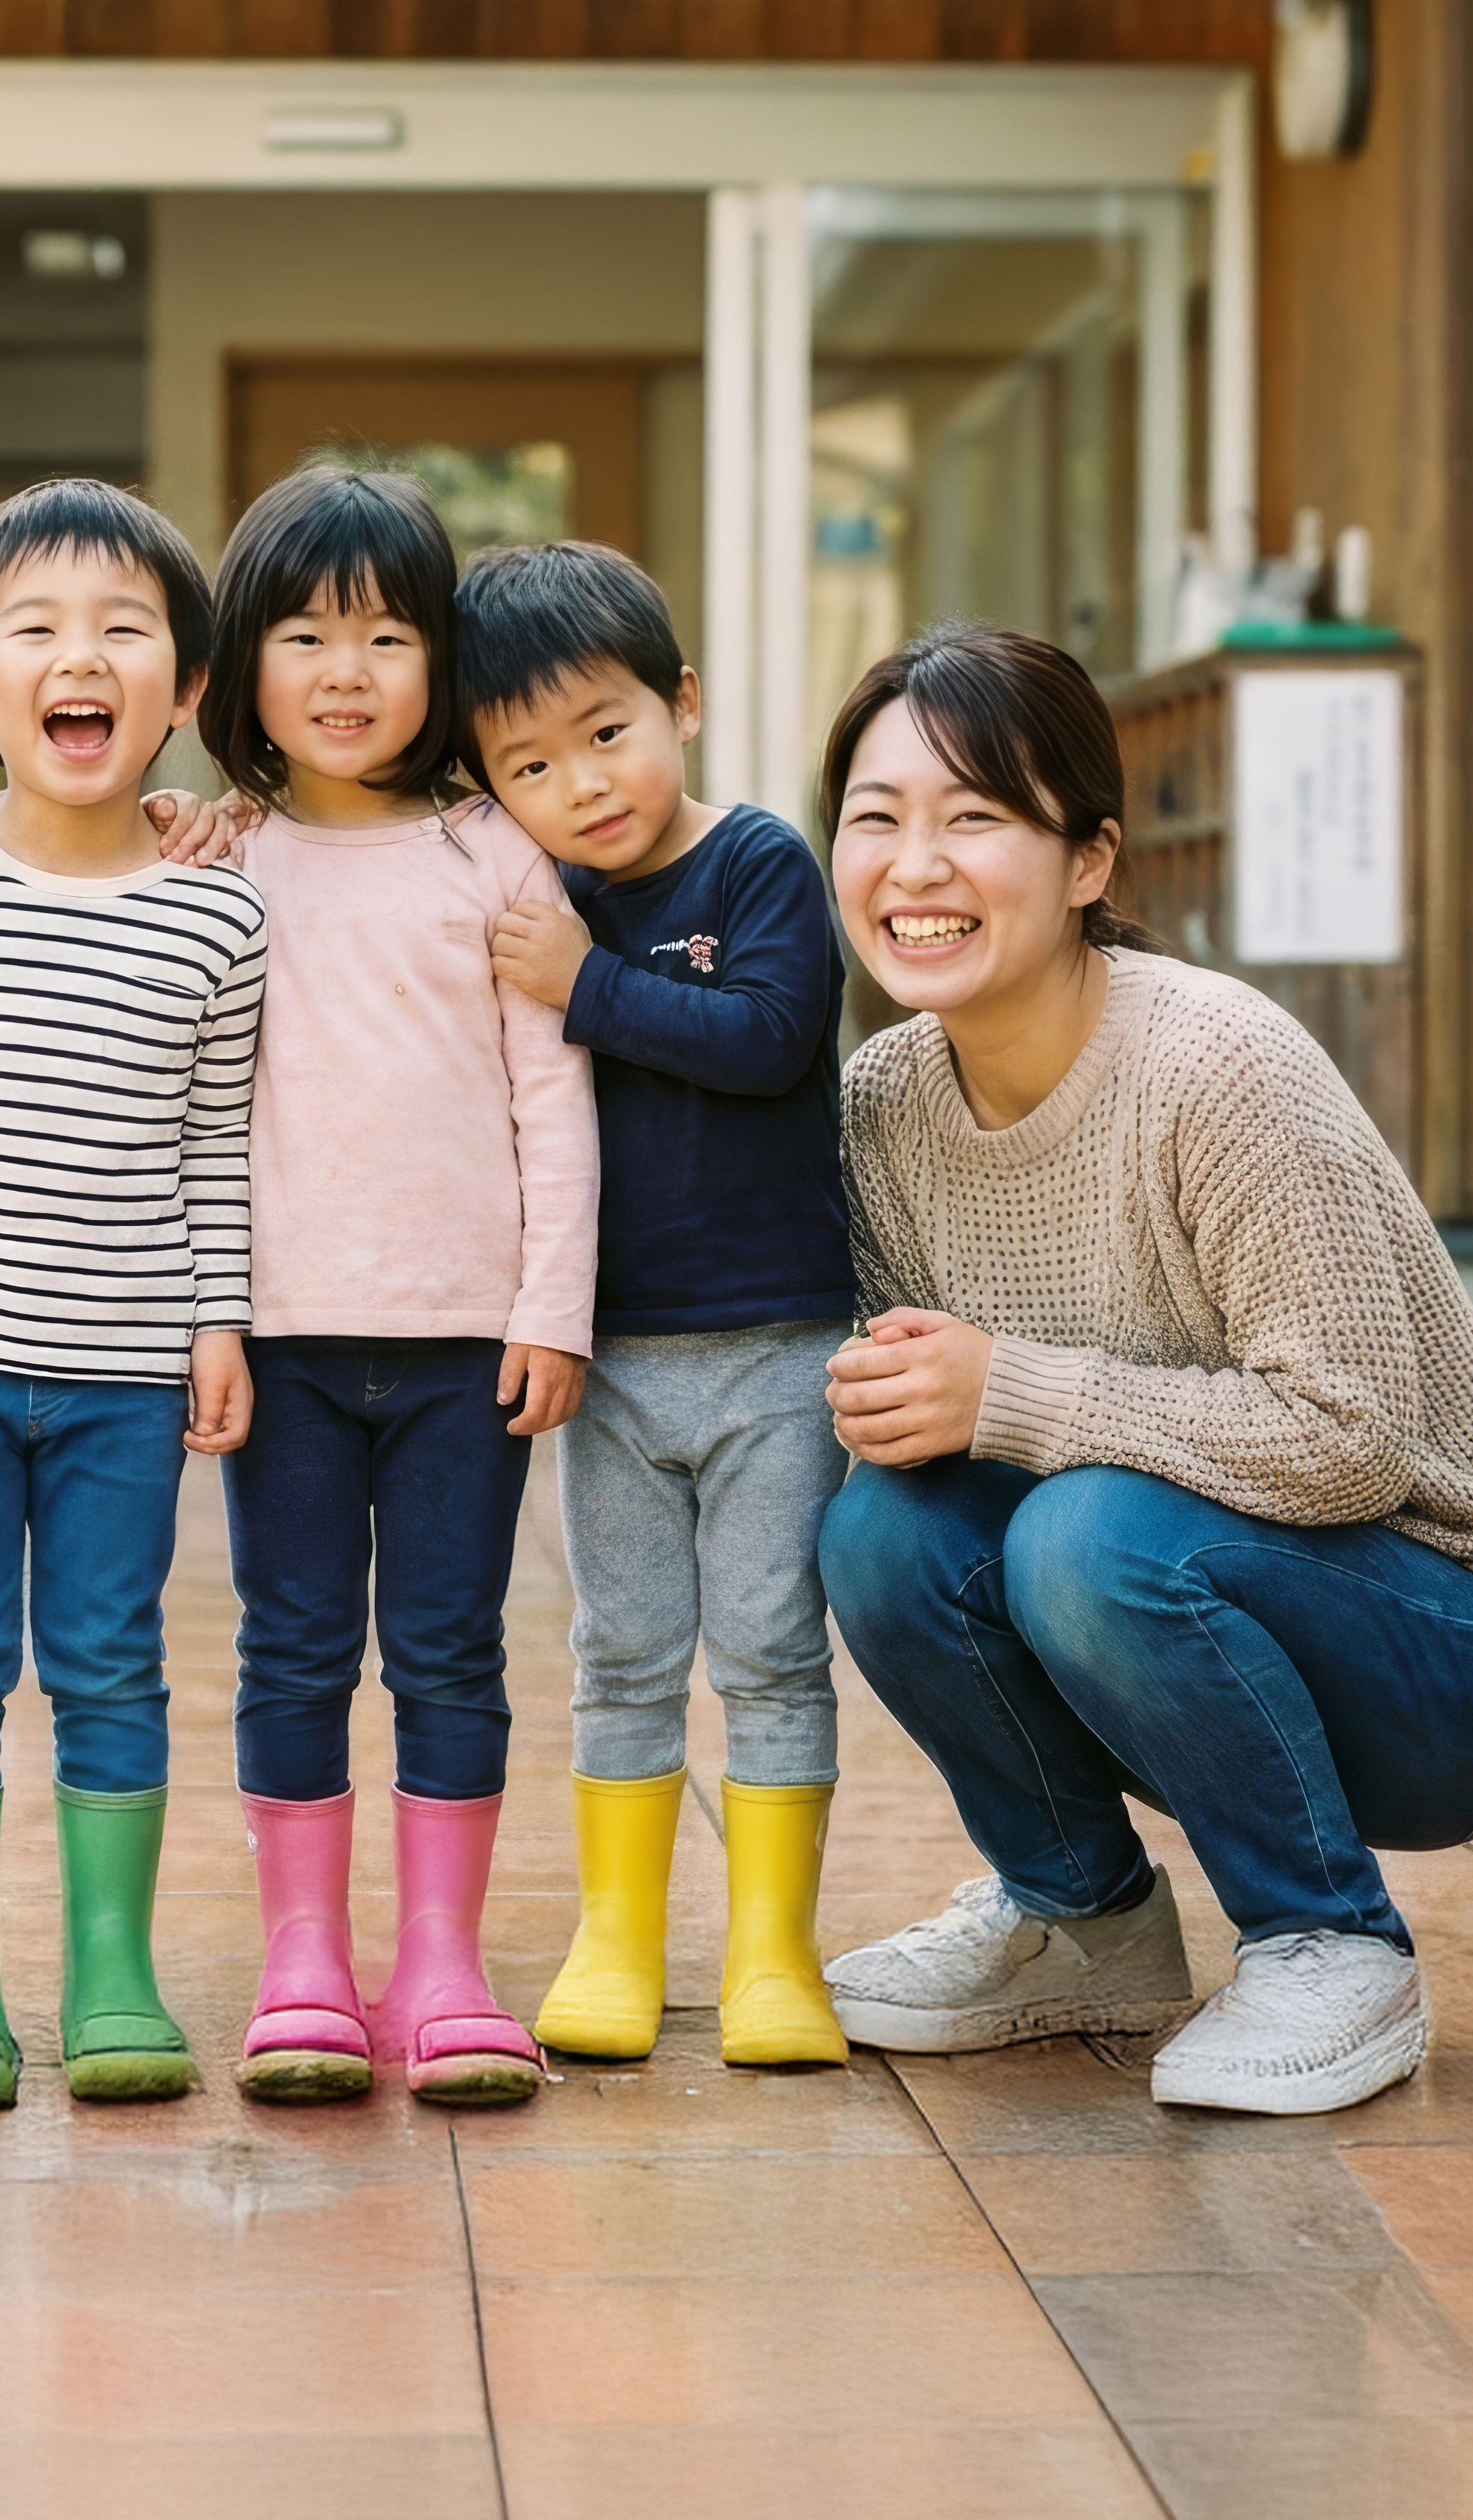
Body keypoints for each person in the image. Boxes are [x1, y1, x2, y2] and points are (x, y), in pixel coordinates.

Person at [814, 625, 1473, 2117]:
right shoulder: (884, 1107)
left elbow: (1353, 1438)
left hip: (1466, 1643)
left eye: (975, 815)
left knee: (1083, 1525)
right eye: (878, 816)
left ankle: (1330, 1939)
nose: (916, 864)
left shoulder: (1216, 1066)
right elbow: (939, 1436)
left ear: (1091, 857)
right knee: (885, 1525)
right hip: (1185, 1603)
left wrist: (1014, 1393)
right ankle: (1078, 1916)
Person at [177, 467, 597, 2108]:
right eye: (301, 633)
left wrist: (551, 1303)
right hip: (279, 1337)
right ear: (240, 670)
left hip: (460, 1347)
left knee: (450, 1644)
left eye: (383, 634)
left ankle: (439, 1959)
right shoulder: (219, 862)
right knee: (288, 1646)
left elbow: (551, 1098)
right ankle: (304, 1957)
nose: (343, 670)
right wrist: (199, 1318)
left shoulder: (496, 856)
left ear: (443, 661)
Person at [0, 477, 266, 2112]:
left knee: (109, 1658)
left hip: (122, 1370)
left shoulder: (220, 911)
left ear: (183, 691)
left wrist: (215, 1315)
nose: (75, 659)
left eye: (122, 632)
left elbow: (212, 1141)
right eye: (32, 630)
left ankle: (113, 1970)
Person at [462, 540, 854, 2071]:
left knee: (768, 1648)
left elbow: (768, 1037)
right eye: (531, 765)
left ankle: (771, 1956)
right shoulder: (537, 896)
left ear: (681, 700)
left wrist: (586, 982)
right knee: (622, 1650)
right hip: (613, 1356)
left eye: (609, 731)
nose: (584, 784)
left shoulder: (757, 862)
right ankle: (616, 1938)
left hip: (776, 1348)